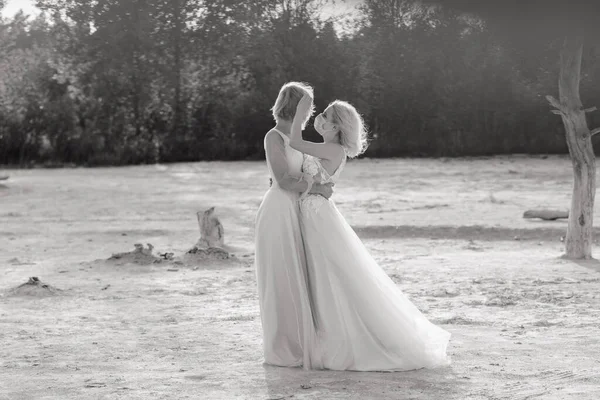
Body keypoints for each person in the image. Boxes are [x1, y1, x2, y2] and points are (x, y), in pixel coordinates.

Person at [288, 95, 451, 371]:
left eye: (325, 115)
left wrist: (298, 116)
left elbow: (294, 143)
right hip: (313, 212)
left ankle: (340, 339)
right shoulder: (326, 148)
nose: (320, 118)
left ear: (336, 126)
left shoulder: (334, 150)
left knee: (329, 276)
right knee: (324, 275)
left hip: (317, 218)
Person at [254, 82, 333, 368]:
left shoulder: (297, 138)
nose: (311, 113)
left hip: (297, 209)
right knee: (281, 276)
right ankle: (284, 348)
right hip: (278, 210)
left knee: (301, 274)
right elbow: (284, 180)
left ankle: (303, 342)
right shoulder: (273, 136)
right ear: (298, 107)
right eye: (308, 106)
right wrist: (314, 187)